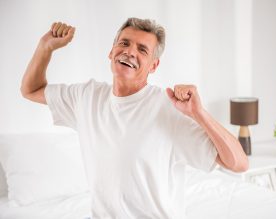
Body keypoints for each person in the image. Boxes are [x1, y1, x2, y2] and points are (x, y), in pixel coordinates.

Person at [21, 18, 248, 219]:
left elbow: (239, 163)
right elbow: (30, 90)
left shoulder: (168, 110)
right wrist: (45, 47)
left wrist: (198, 113)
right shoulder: (86, 97)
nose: (130, 52)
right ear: (111, 52)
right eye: (124, 43)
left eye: (142, 49)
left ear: (153, 66)